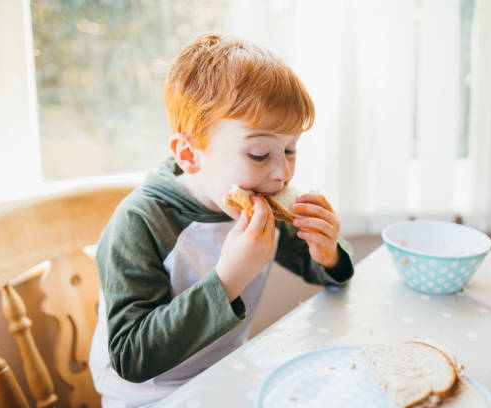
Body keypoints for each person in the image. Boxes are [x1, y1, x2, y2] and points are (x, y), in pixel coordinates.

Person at [88, 32, 354, 407]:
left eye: (290, 149)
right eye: (260, 153)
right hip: (149, 395)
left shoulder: (262, 199)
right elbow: (132, 357)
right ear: (190, 153)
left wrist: (327, 252)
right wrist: (229, 278)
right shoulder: (139, 223)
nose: (282, 173)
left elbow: (322, 273)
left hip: (226, 373)